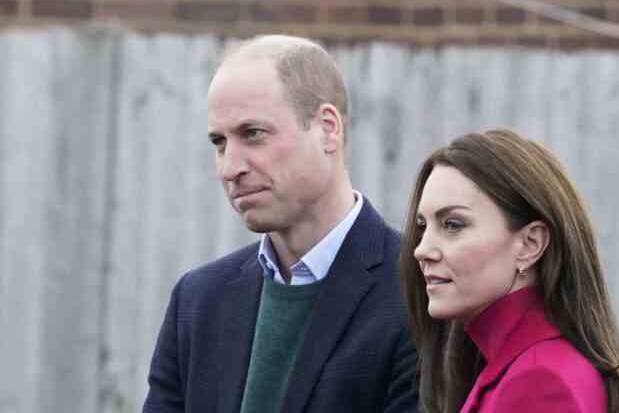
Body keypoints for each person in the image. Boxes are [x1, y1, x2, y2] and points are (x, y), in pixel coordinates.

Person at [144, 35, 417, 413]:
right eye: (219, 143)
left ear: (327, 128)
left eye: (253, 134)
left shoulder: (419, 292)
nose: (230, 168)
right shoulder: (197, 300)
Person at [399, 129, 619, 413]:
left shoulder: (538, 380)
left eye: (453, 224)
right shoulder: (520, 364)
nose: (422, 249)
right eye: (423, 227)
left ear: (530, 244)